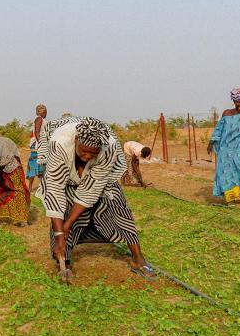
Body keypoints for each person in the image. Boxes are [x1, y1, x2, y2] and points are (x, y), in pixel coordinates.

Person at [36, 116, 155, 283]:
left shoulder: (109, 147)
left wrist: (68, 226)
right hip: (65, 174)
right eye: (84, 150)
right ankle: (64, 260)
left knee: (118, 206)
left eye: (93, 153)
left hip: (101, 178)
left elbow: (90, 191)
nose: (87, 156)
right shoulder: (60, 143)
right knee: (63, 213)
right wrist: (60, 233)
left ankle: (138, 258)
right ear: (76, 140)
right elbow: (55, 189)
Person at [27, 104, 48, 190]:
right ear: (44, 112)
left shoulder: (39, 119)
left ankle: (31, 188)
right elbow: (37, 132)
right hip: (37, 145)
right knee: (40, 163)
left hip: (35, 144)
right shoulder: (40, 119)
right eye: (46, 112)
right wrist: (42, 144)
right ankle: (40, 187)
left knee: (35, 164)